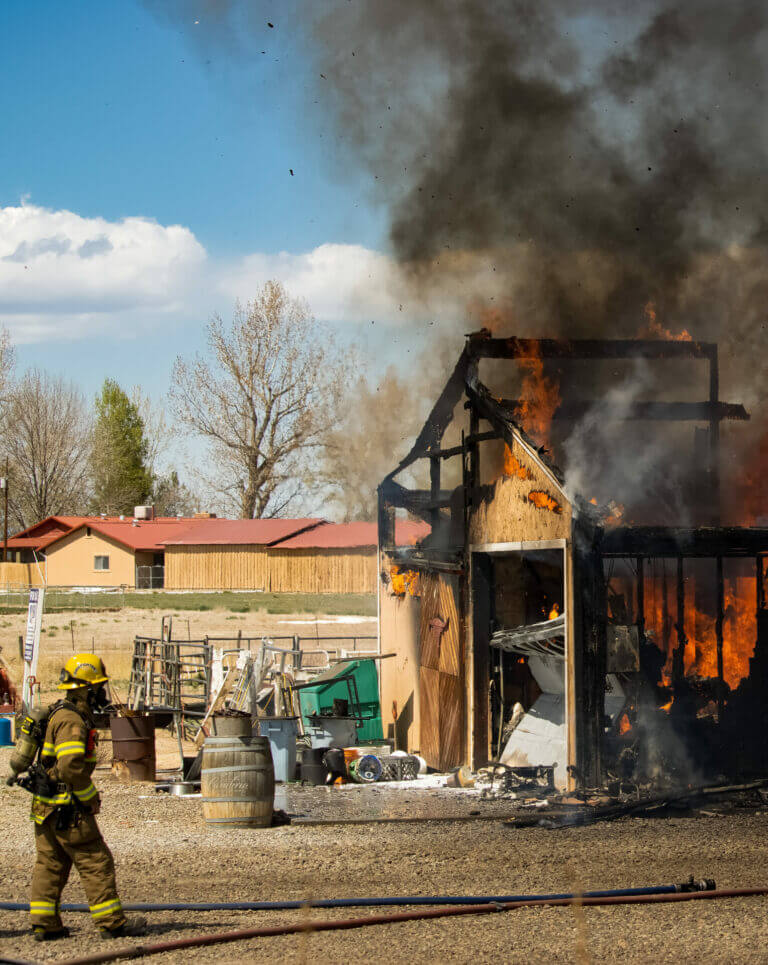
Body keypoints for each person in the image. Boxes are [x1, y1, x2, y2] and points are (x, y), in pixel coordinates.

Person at [27, 653, 146, 942]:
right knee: (95, 860)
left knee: (49, 864)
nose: (101, 693)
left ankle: (45, 925)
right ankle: (111, 924)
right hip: (68, 809)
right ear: (85, 689)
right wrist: (90, 796)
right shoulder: (72, 721)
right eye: (98, 687)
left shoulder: (57, 712)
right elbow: (70, 767)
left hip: (44, 807)